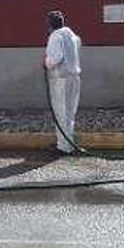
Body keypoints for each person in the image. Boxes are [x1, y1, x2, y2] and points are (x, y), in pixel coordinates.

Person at [43, 10, 83, 155]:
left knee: (61, 113)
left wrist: (46, 62)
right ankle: (68, 143)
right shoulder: (72, 35)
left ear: (49, 24)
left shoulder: (55, 36)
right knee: (70, 113)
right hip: (74, 77)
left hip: (60, 79)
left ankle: (63, 147)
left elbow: (56, 58)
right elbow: (77, 44)